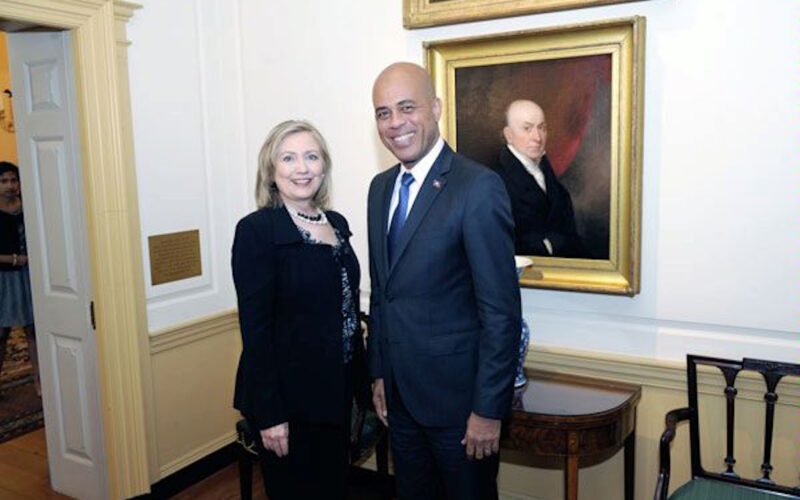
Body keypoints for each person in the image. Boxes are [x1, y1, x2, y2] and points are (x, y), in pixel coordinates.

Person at [367, 62, 521, 499]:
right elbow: (384, 293)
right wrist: (379, 373)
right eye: (382, 113)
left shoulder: (478, 187)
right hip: (400, 404)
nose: (395, 123)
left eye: (406, 107)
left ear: (435, 108)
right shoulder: (379, 190)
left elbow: (501, 312)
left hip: (460, 411)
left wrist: (488, 411)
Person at [231, 120, 367, 499]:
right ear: (271, 171)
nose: (302, 168)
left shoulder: (337, 223)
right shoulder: (257, 231)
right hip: (288, 401)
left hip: (336, 392)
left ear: (324, 166)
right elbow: (255, 331)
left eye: (311, 156)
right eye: (288, 158)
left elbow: (345, 307)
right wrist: (271, 415)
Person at [493, 99, 584, 257]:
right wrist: (548, 245)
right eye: (527, 128)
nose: (537, 137)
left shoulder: (553, 182)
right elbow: (499, 243)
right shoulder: (495, 182)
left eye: (541, 128)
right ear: (509, 135)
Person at [0, 161, 40, 397]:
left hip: (28, 277)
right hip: (4, 279)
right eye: (3, 181)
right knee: (1, 334)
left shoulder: (27, 208)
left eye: (13, 180)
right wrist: (14, 259)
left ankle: (39, 381)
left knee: (33, 329)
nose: (10, 186)